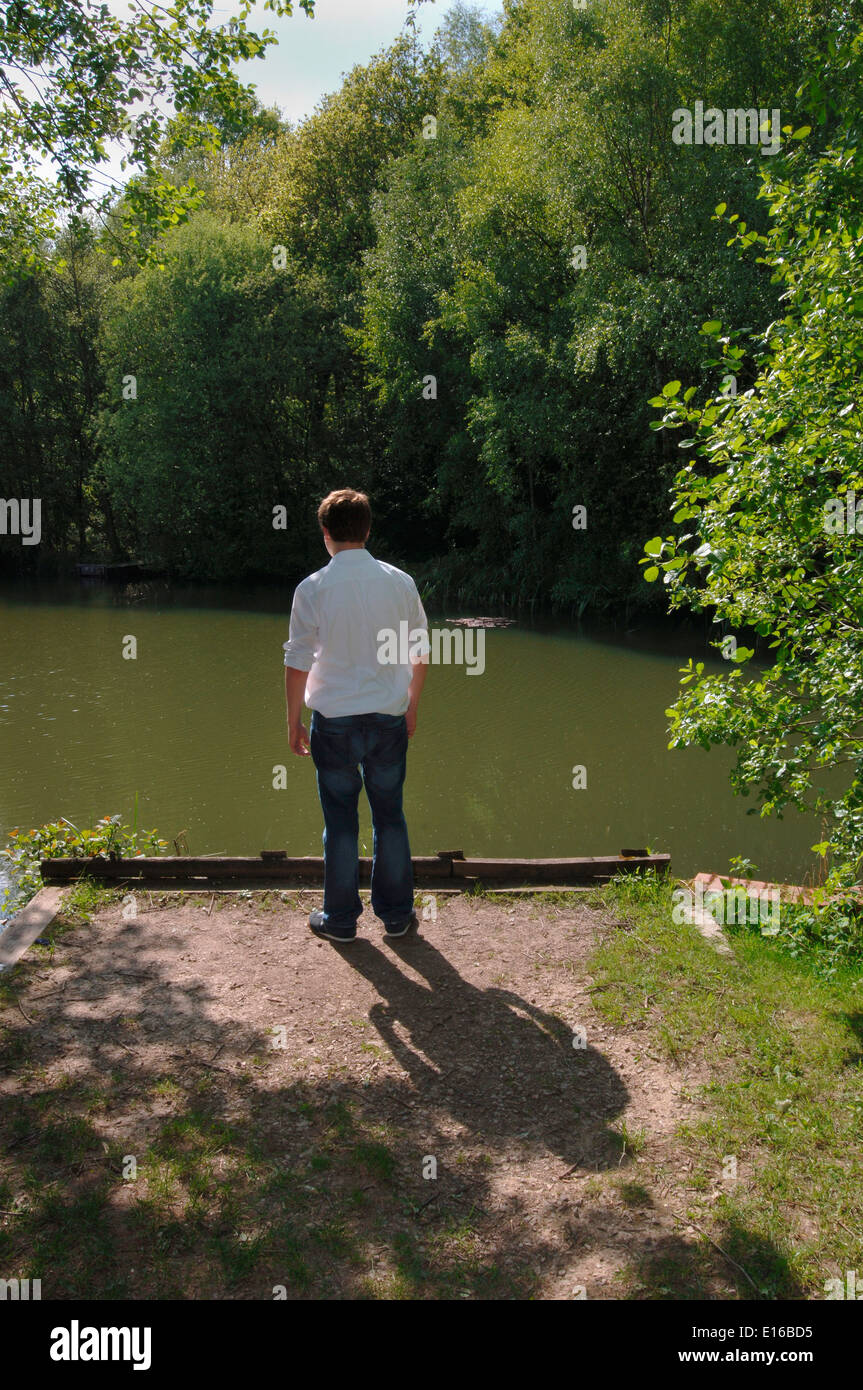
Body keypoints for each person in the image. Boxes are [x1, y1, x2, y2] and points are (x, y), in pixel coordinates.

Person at [283, 489, 429, 944]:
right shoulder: (400, 582)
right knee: (390, 817)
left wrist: (292, 720)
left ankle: (341, 921)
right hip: (388, 718)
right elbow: (420, 650)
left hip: (335, 723)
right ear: (367, 530)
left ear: (326, 534)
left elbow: (297, 660)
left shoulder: (312, 588)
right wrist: (411, 704)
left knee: (340, 820)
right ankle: (397, 916)